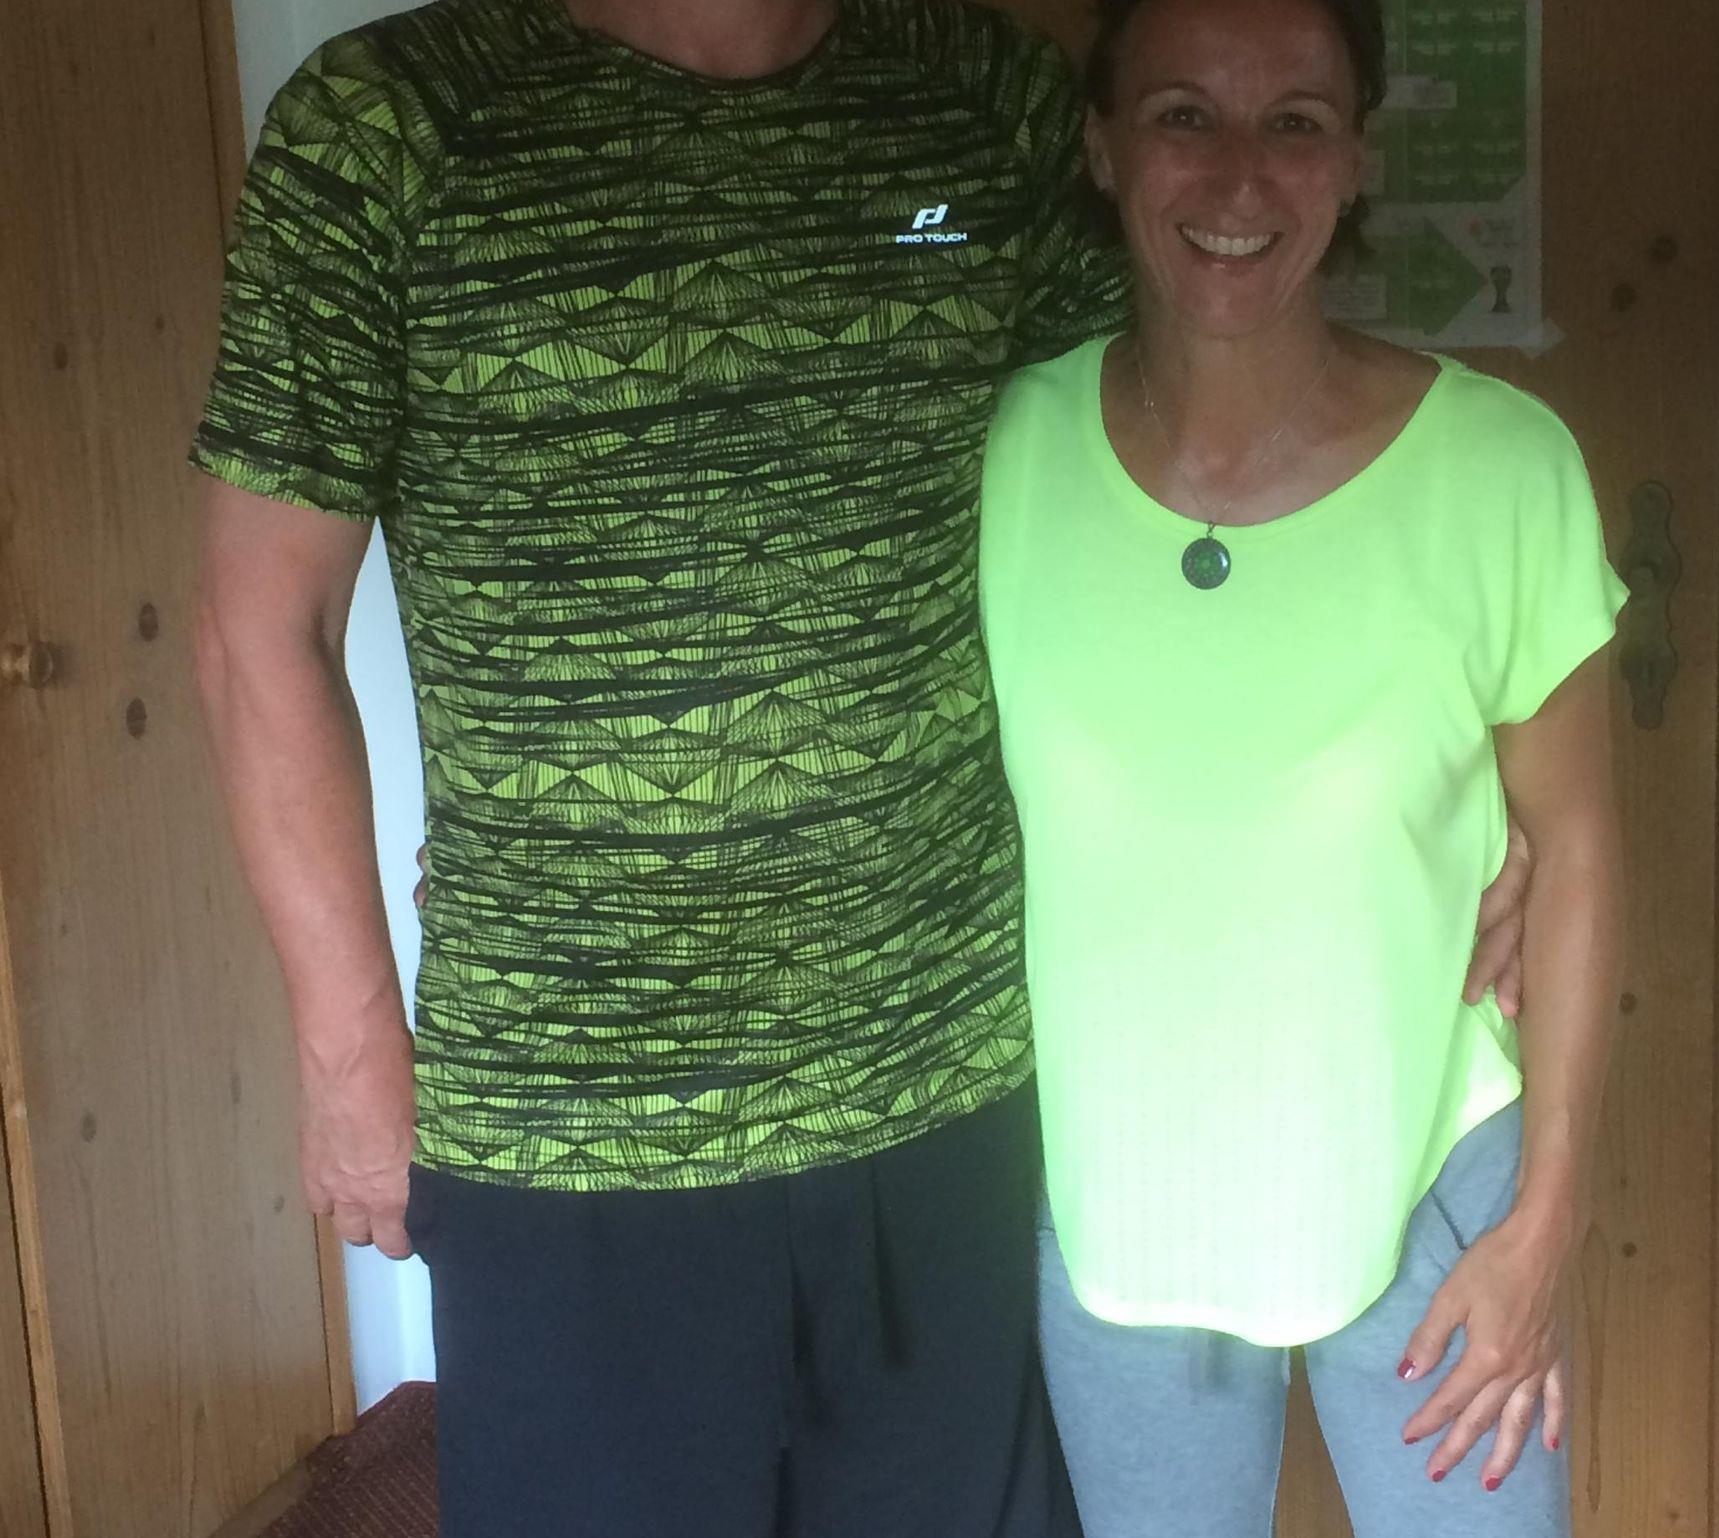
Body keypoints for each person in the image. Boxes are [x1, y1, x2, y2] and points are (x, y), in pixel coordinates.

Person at [189, 0, 1530, 1531]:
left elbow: (1196, 463)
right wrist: (351, 1054)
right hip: (573, 1122)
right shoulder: (393, 122)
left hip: (952, 1095)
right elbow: (259, 631)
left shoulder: (985, 96)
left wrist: (1484, 772)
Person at [977, 0, 1626, 1534]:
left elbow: (1582, 850)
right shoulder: (1005, 449)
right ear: (1104, 146)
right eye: (1184, 117)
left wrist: (1548, 1219)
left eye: (1295, 123)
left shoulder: (1502, 469)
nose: (1239, 179)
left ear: (1356, 159)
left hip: (1434, 1186)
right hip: (1123, 1216)